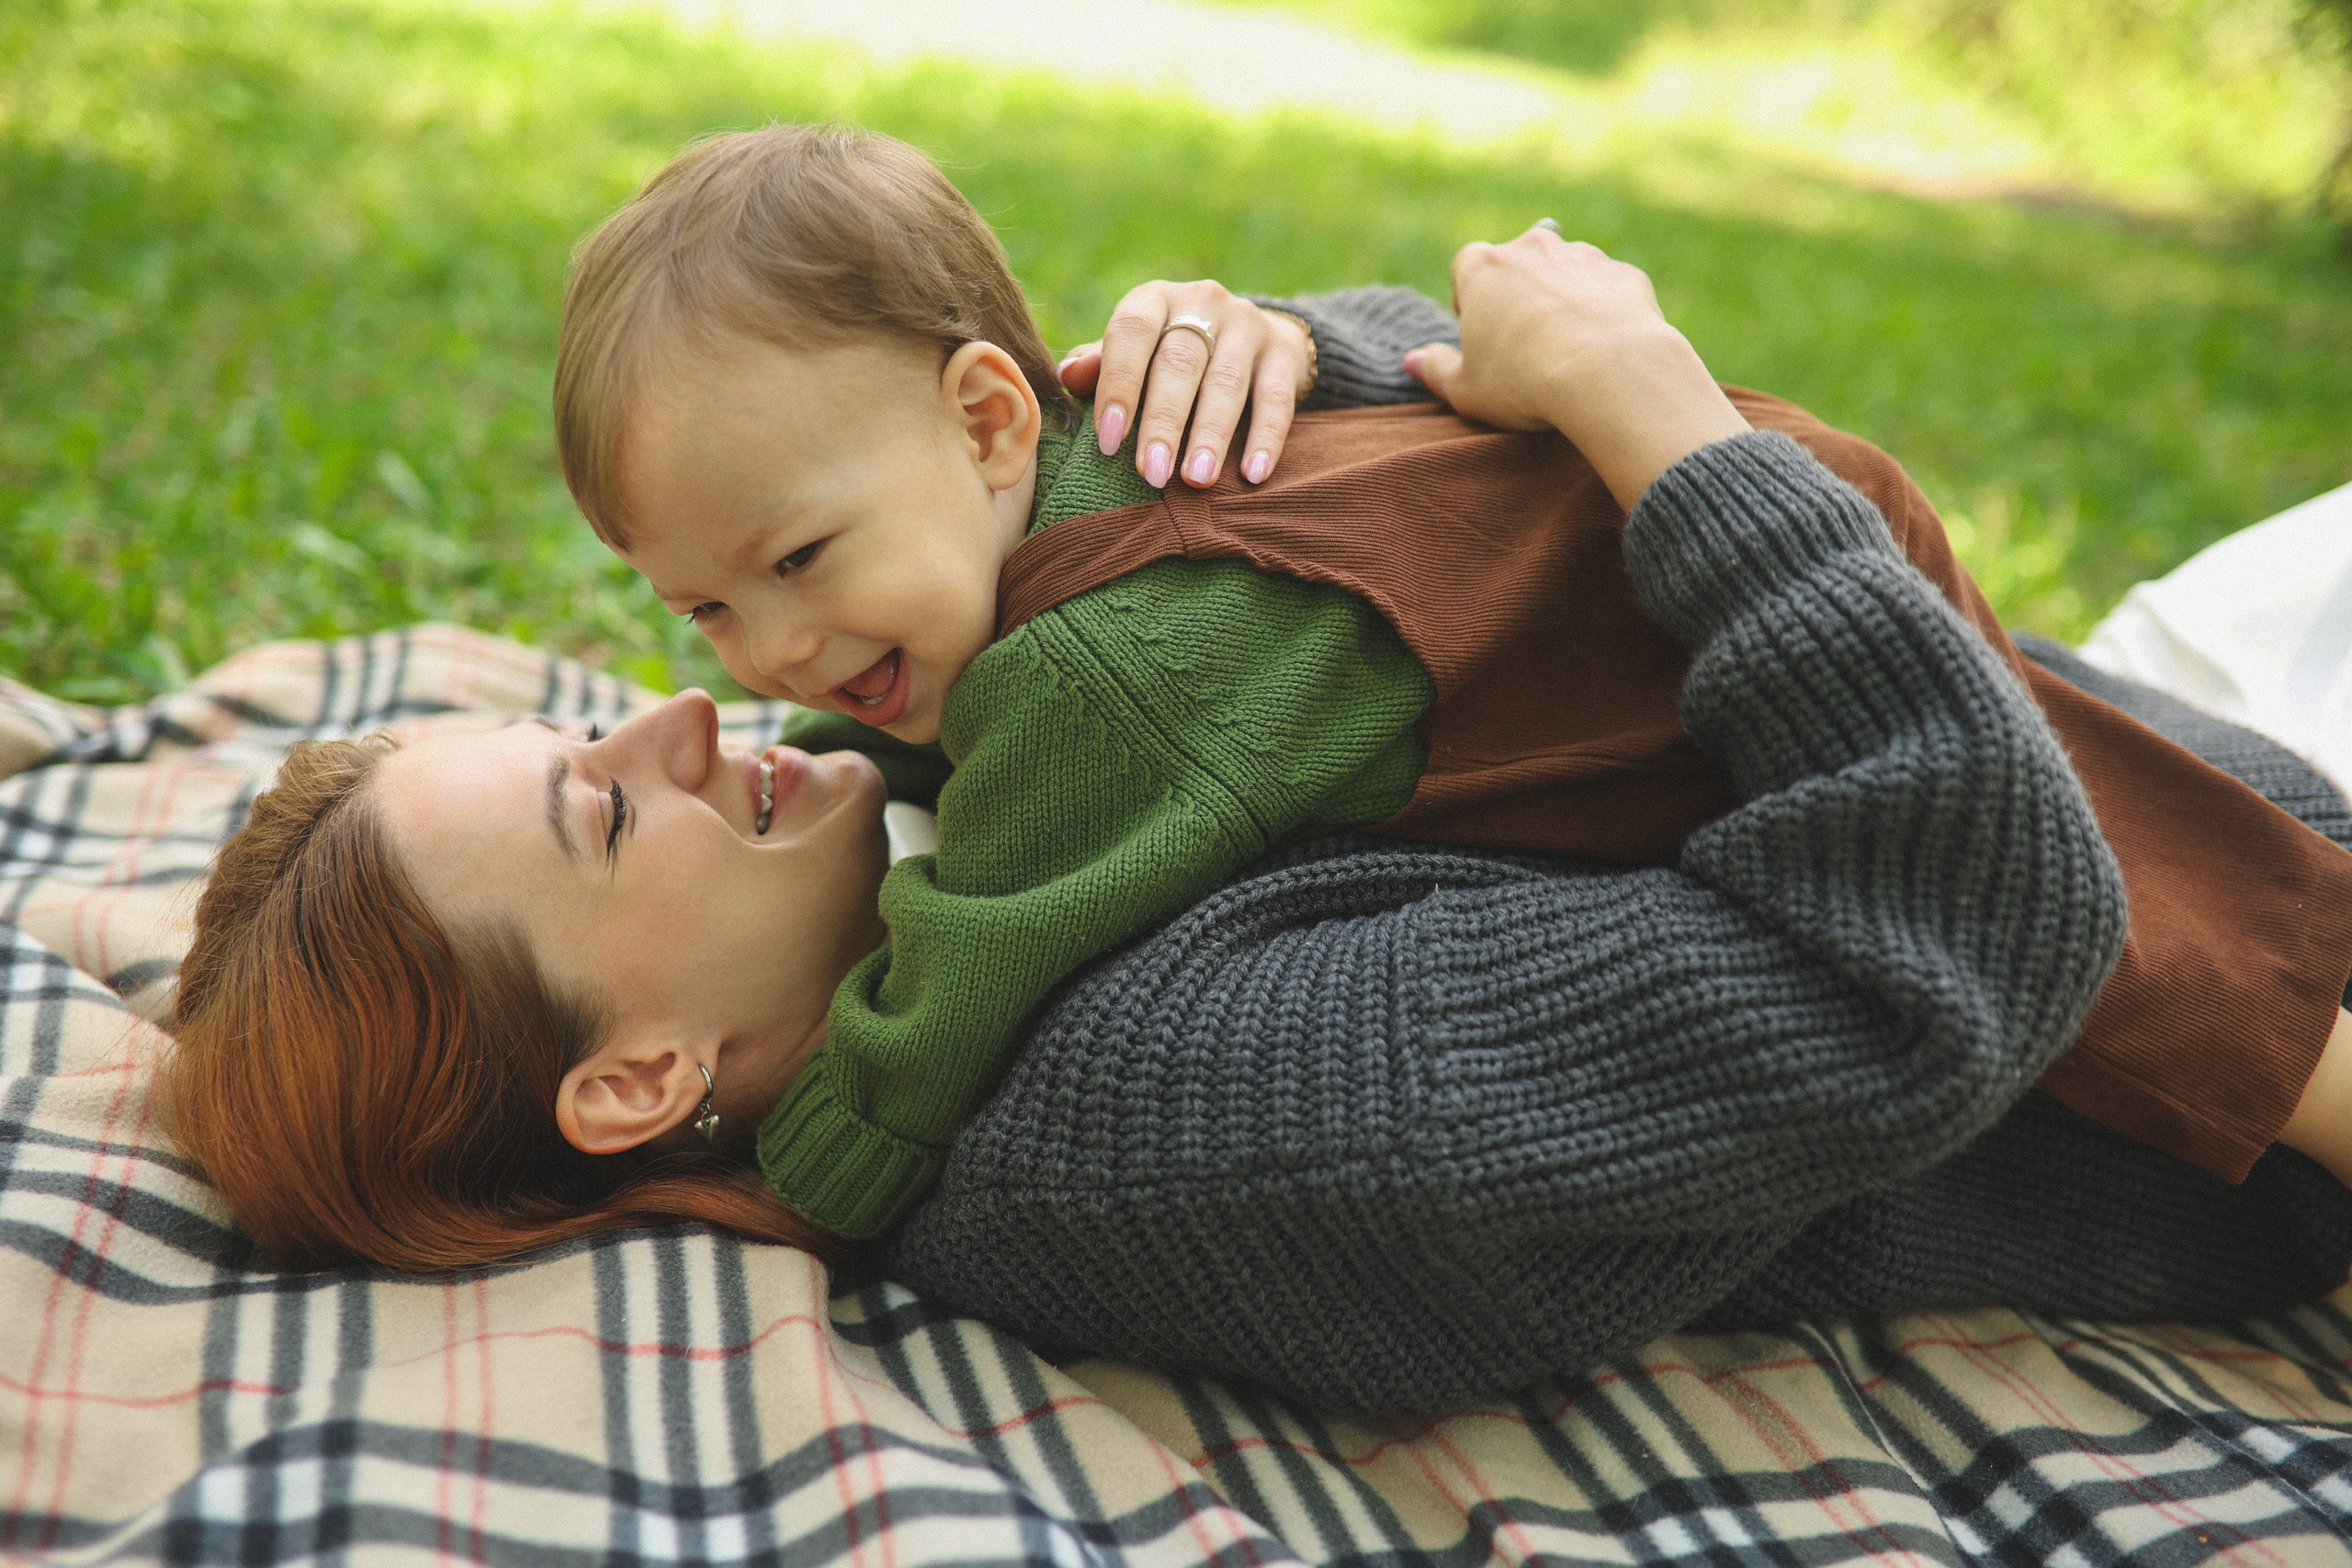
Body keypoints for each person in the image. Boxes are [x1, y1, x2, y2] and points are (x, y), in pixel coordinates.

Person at [539, 123, 2352, 1244]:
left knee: (2127, 955)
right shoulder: (1091, 463)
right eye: (703, 609)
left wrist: (813, 1183)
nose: (771, 652)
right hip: (1707, 547)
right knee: (2147, 853)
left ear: (990, 415)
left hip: (1724, 626)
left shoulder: (1083, 688)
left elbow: (965, 973)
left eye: (797, 563)